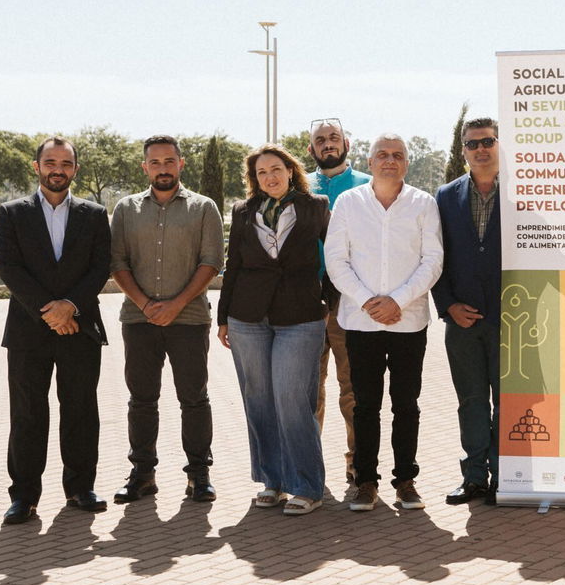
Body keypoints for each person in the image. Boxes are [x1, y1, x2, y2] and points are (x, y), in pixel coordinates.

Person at [0, 137, 113, 524]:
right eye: (50, 162)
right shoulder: (12, 213)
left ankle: (80, 488)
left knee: (81, 409)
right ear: (37, 167)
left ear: (75, 169)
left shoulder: (94, 214)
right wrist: (50, 311)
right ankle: (24, 496)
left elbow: (100, 267)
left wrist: (70, 307)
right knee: (27, 413)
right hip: (28, 330)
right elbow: (10, 269)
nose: (57, 169)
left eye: (65, 163)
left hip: (80, 327)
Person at [325, 134, 444, 512]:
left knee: (406, 405)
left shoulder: (423, 203)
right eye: (382, 155)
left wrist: (398, 301)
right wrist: (367, 301)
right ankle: (365, 482)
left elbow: (433, 260)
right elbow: (336, 260)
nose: (389, 160)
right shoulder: (349, 203)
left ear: (406, 163)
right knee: (364, 406)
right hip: (360, 322)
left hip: (409, 322)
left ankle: (405, 481)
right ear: (370, 161)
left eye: (397, 155)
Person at [108, 136, 224, 504]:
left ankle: (199, 474)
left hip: (189, 320)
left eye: (169, 161)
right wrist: (145, 304)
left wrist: (176, 304)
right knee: (141, 400)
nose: (162, 168)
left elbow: (212, 261)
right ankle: (143, 474)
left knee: (194, 399)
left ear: (181, 164)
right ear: (145, 167)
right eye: (155, 162)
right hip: (138, 320)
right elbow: (117, 262)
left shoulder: (203, 208)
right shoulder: (125, 209)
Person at [217, 145, 331, 515]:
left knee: (292, 399)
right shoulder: (243, 210)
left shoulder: (316, 207)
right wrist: (223, 317)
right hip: (247, 317)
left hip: (301, 317)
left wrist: (328, 302)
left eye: (276, 169)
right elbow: (233, 265)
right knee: (259, 401)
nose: (270, 177)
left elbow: (337, 255)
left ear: (290, 170)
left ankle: (307, 486)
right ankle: (272, 481)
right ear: (255, 178)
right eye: (262, 172)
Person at [433, 118, 502, 506]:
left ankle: (505, 477)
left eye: (488, 141)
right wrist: (447, 305)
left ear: (499, 145)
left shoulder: (524, 193)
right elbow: (434, 256)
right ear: (463, 151)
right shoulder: (445, 196)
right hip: (462, 321)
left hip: (512, 320)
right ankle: (474, 477)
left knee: (508, 402)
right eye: (473, 144)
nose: (481, 149)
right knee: (471, 401)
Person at [306, 118, 370, 486]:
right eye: (320, 140)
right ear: (311, 148)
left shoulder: (368, 185)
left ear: (347, 143)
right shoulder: (298, 186)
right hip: (305, 302)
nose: (328, 144)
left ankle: (358, 462)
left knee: (354, 389)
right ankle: (307, 465)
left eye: (334, 138)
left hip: (351, 302)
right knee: (307, 390)